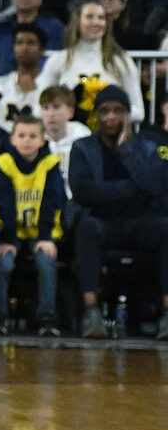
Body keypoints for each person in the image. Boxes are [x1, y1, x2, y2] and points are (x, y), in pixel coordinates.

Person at [66, 85, 168, 340]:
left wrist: (126, 149)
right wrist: (134, 188)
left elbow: (155, 186)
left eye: (118, 111)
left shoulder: (146, 147)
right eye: (105, 111)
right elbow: (84, 192)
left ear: (128, 115)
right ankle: (92, 311)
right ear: (96, 116)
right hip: (102, 222)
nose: (111, 117)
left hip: (141, 222)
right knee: (87, 228)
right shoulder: (82, 147)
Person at [0, 113, 68, 334]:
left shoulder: (50, 163)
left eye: (33, 136)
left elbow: (53, 202)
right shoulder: (2, 164)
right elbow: (4, 204)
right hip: (9, 231)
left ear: (42, 140)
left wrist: (45, 238)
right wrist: (8, 240)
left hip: (39, 233)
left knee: (46, 261)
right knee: (3, 264)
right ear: (12, 139)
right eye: (21, 135)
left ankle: (46, 319)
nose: (26, 140)